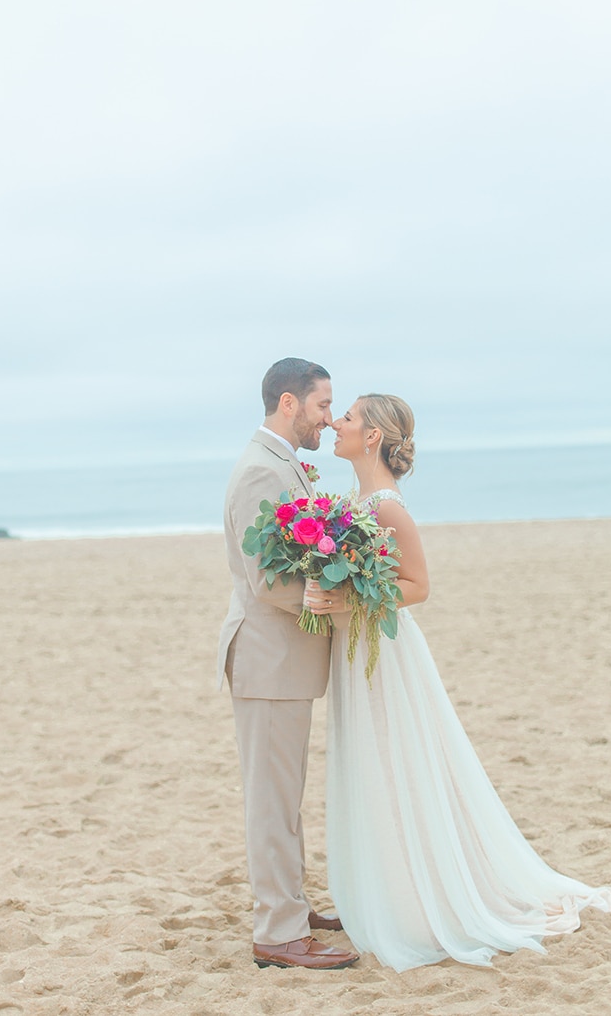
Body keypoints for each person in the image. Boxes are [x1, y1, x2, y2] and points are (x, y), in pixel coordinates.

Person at [304, 393, 611, 972]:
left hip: (385, 652)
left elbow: (418, 586)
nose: (337, 423)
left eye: (347, 417)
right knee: (372, 766)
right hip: (355, 648)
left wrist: (349, 595)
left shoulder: (387, 507)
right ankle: (390, 885)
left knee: (397, 766)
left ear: (371, 437)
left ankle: (420, 897)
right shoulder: (353, 501)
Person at [218, 357, 358, 970]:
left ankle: (293, 907)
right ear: (288, 403)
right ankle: (277, 932)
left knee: (286, 792)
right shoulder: (259, 471)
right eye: (324, 406)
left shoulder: (282, 465)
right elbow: (267, 578)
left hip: (283, 661)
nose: (329, 419)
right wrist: (337, 598)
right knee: (272, 800)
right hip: (267, 660)